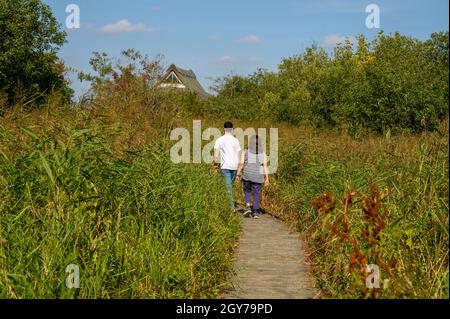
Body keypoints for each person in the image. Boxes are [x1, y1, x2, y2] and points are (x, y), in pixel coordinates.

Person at [237, 135, 270, 219]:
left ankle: (248, 206)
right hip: (258, 176)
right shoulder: (263, 154)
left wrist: (238, 174)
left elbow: (241, 164)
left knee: (247, 190)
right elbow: (265, 166)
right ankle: (255, 212)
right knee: (256, 193)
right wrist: (267, 178)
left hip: (247, 174)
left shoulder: (245, 152)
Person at [214, 122, 242, 210]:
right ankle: (229, 205)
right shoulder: (236, 140)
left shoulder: (220, 140)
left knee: (228, 187)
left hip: (225, 166)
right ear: (232, 129)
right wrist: (239, 170)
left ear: (224, 129)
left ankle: (231, 207)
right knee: (229, 186)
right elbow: (239, 155)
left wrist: (215, 165)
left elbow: (216, 155)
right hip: (234, 167)